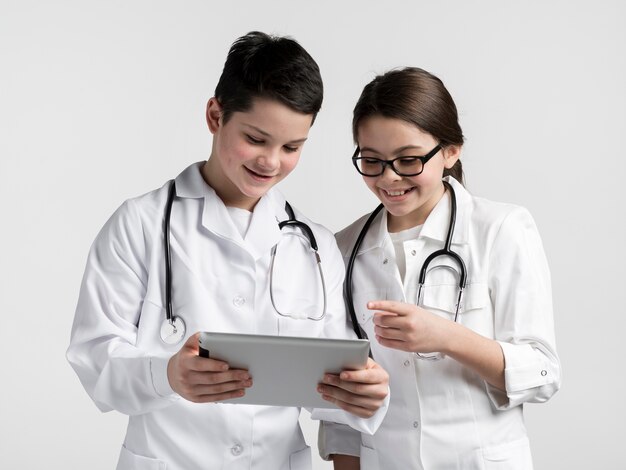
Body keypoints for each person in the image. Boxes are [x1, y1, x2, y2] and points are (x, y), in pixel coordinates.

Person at [67, 31, 389, 470]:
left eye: (292, 147)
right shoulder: (140, 224)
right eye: (256, 139)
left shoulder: (314, 246)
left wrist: (363, 393)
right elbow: (95, 361)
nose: (272, 162)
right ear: (215, 115)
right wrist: (167, 376)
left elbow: (332, 388)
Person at [319, 67, 561, 469]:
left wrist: (447, 337)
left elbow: (542, 371)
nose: (389, 177)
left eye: (408, 159)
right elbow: (343, 409)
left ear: (451, 151)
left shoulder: (501, 229)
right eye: (372, 160)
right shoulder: (343, 249)